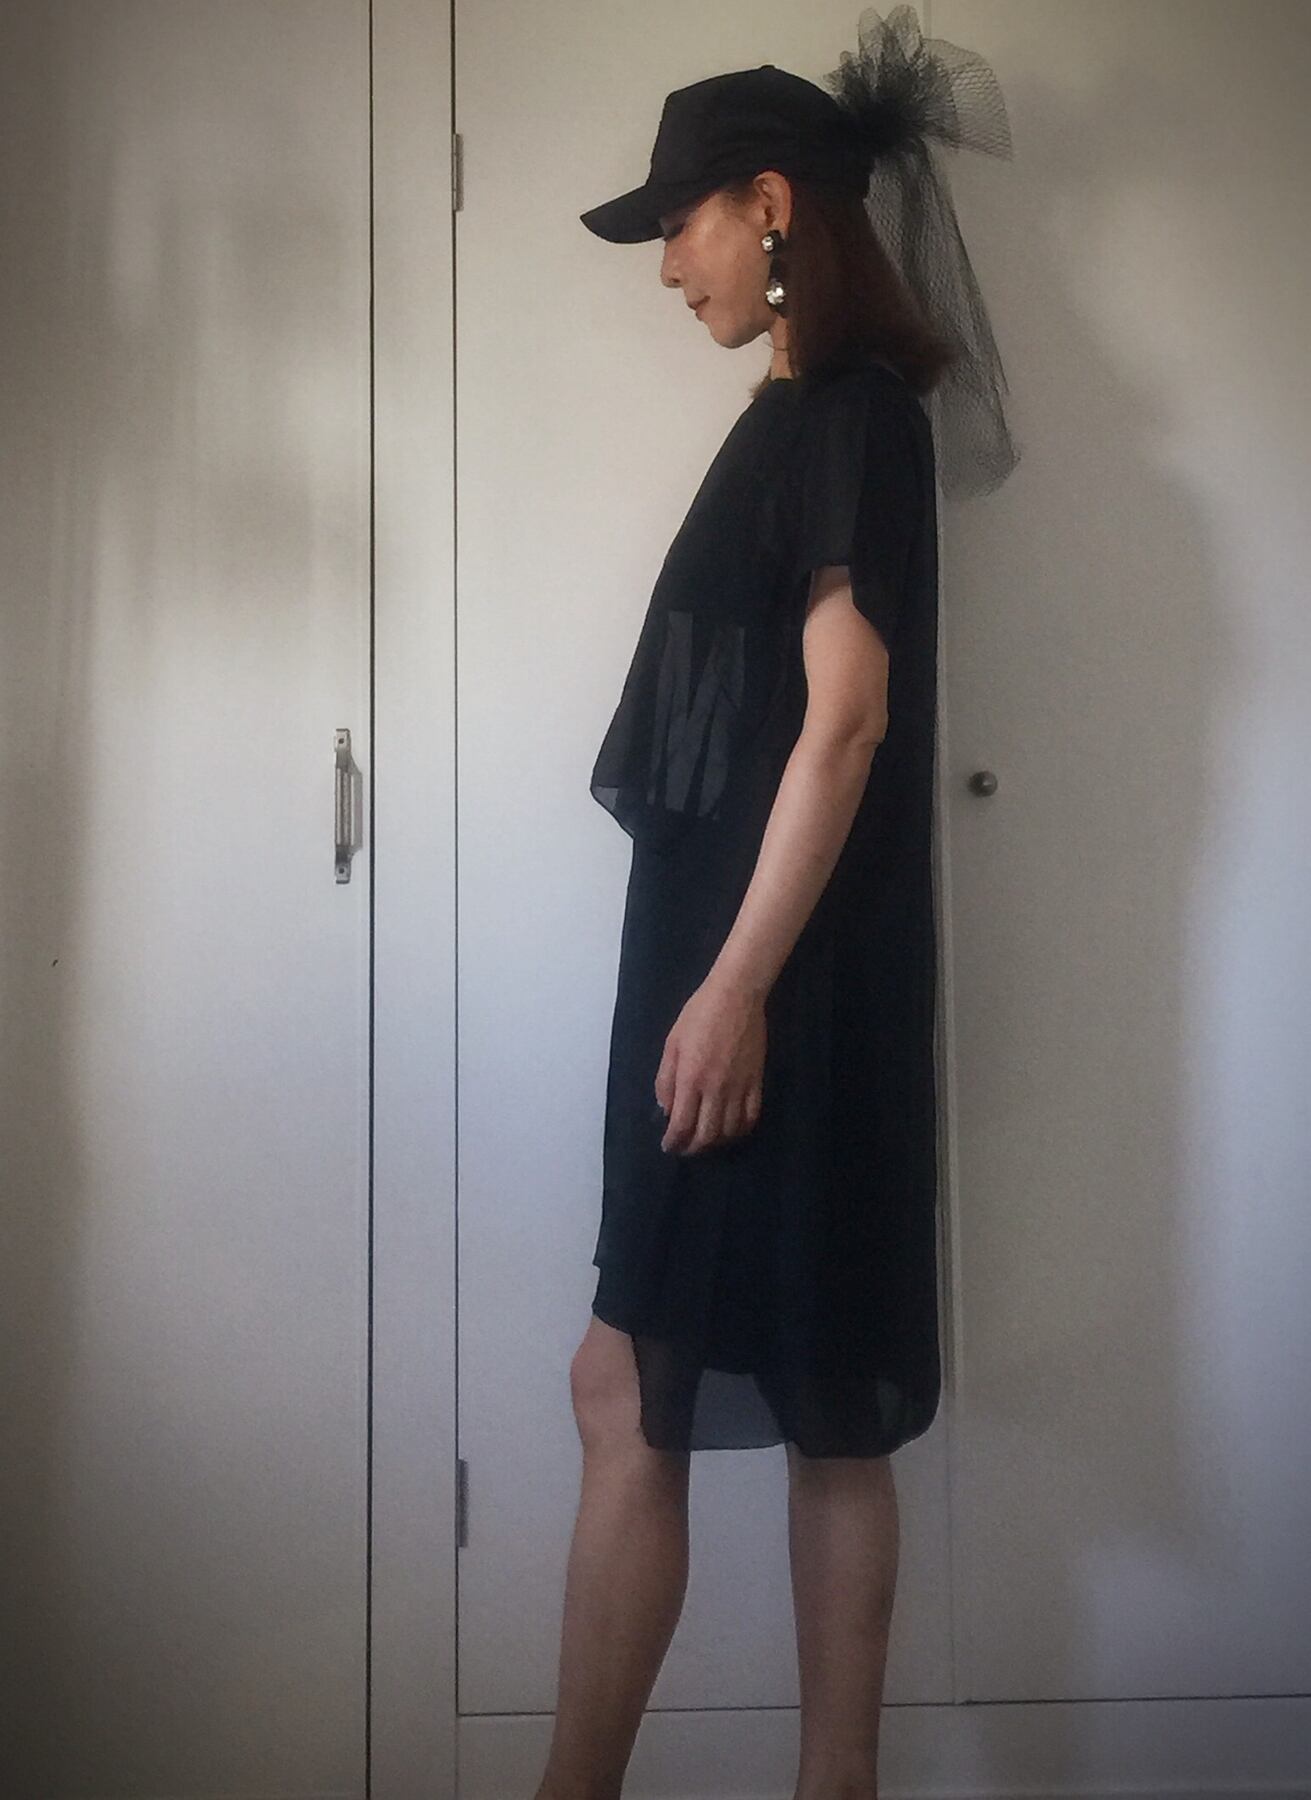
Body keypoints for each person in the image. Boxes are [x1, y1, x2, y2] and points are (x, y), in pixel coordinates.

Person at [538, 14, 1020, 1798]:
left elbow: (846, 722)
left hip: (765, 981)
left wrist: (735, 986)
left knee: (682, 1388)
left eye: (681, 223)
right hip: (744, 967)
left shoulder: (850, 419)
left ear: (771, 204)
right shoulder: (816, 417)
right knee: (785, 1397)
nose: (669, 266)